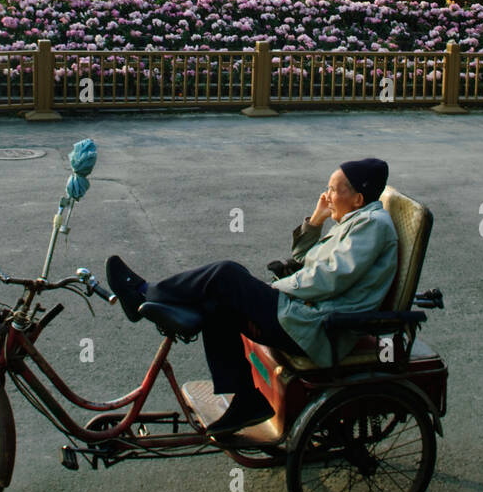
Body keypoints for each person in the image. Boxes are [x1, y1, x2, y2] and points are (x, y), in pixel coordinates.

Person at [107, 158, 398, 437]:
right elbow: (304, 259)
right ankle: (246, 399)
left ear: (358, 199)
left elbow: (330, 277)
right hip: (306, 310)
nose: (327, 194)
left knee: (227, 274)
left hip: (320, 324)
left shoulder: (371, 224)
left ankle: (146, 293)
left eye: (334, 189)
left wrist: (275, 290)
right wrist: (317, 220)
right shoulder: (355, 220)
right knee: (218, 304)